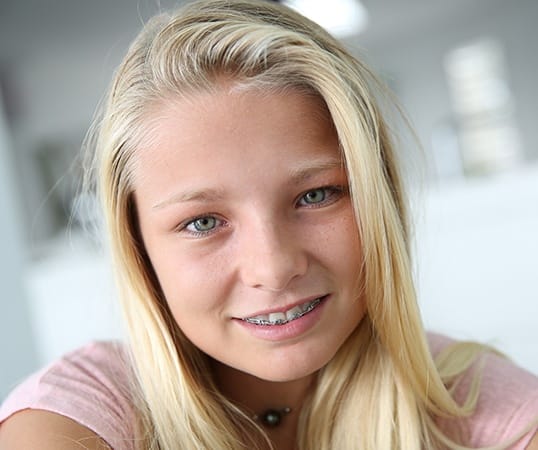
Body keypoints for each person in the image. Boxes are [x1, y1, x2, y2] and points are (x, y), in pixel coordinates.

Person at [1, 0, 537, 449]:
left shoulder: (480, 401)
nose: (274, 267)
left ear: (380, 201)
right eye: (203, 221)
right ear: (139, 246)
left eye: (316, 194)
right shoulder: (80, 413)